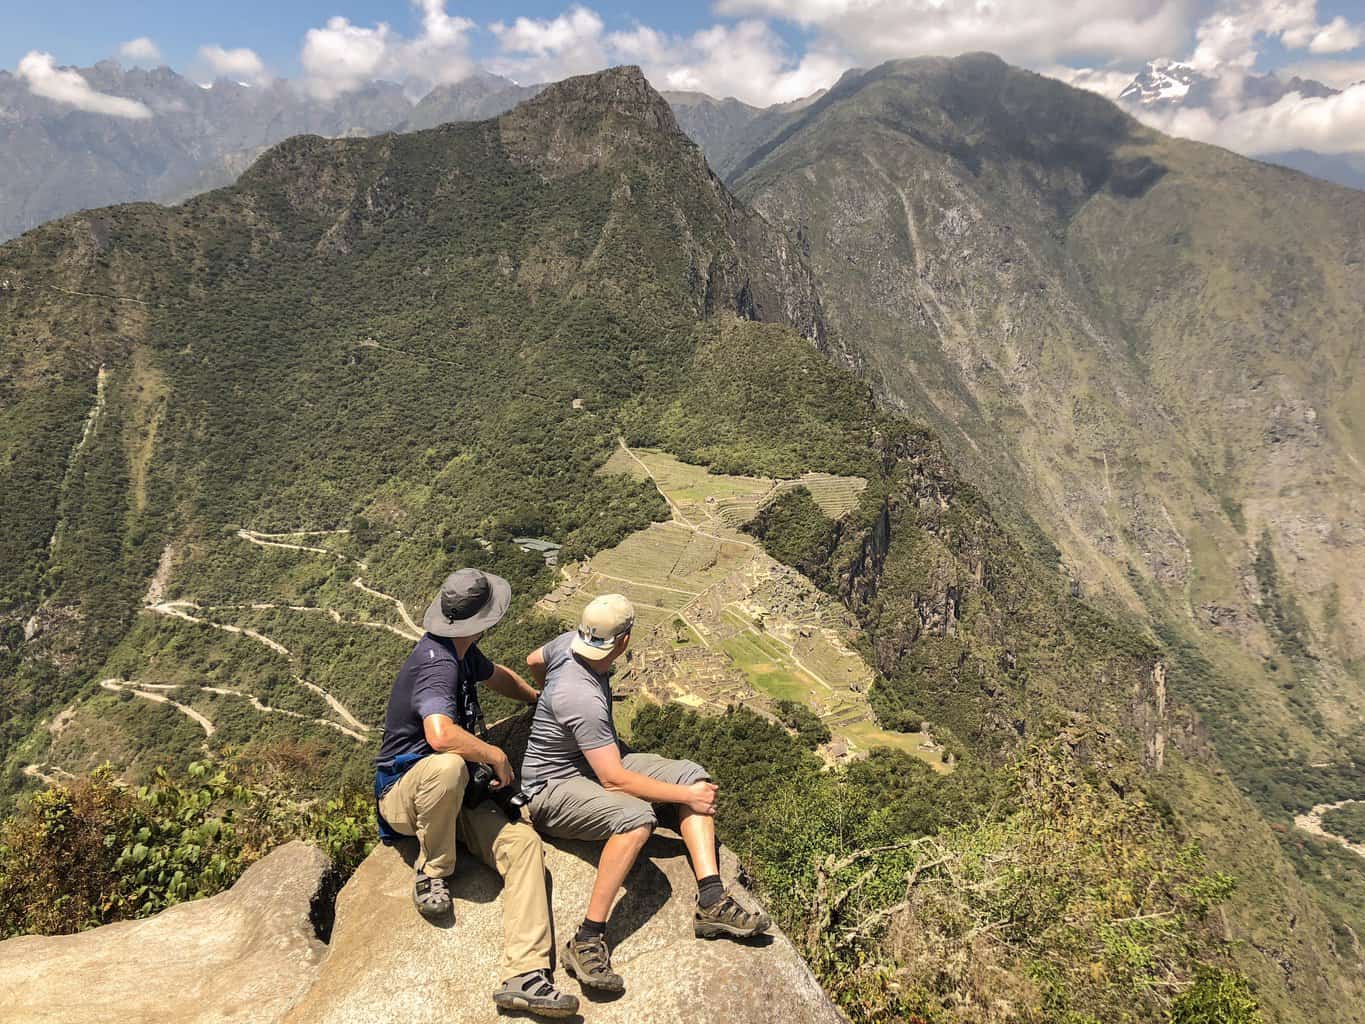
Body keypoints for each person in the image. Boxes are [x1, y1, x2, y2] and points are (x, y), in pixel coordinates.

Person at [521, 593, 770, 994]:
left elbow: (535, 660)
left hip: (592, 761)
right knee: (638, 819)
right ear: (625, 640)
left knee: (693, 777)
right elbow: (614, 781)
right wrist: (684, 800)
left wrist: (545, 701)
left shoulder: (567, 643)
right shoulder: (581, 696)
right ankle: (587, 937)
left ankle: (711, 900)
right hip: (552, 787)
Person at [373, 568, 578, 1019]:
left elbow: (496, 675)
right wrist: (493, 755)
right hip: (406, 795)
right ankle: (433, 870)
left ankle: (524, 976)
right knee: (447, 765)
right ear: (483, 619)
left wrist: (535, 700)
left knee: (524, 845)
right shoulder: (437, 664)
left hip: (456, 795)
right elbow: (441, 735)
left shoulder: (461, 653)